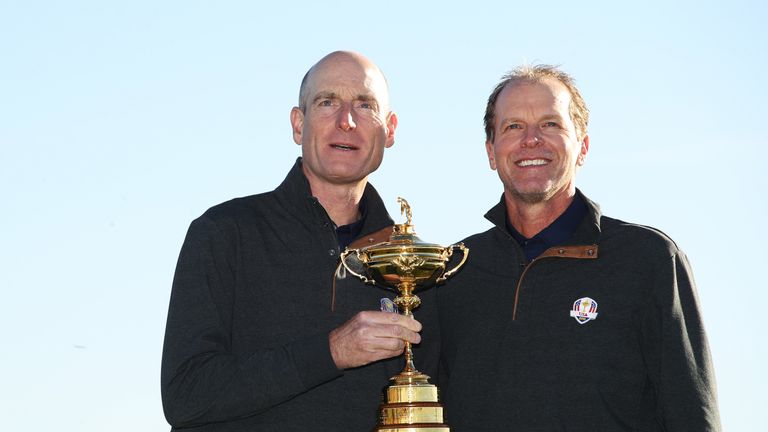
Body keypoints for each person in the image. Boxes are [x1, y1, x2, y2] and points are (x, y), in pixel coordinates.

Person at [161, 51, 439, 431]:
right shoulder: (225, 232)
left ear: (389, 129)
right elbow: (185, 396)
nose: (347, 121)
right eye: (327, 102)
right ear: (298, 124)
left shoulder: (414, 264)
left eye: (364, 104)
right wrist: (332, 352)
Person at [437, 65, 721, 431]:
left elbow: (693, 416)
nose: (531, 140)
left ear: (582, 146)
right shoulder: (453, 271)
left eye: (551, 124)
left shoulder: (649, 260)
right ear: (491, 152)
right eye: (513, 126)